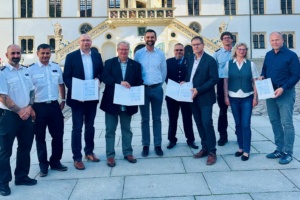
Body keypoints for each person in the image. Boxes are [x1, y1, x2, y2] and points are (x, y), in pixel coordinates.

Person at [0, 44, 37, 196]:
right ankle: (3, 183)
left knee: (25, 147)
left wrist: (29, 107)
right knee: (5, 151)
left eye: (18, 53)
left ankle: (21, 176)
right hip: (9, 116)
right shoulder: (2, 73)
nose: (16, 55)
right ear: (7, 55)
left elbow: (31, 91)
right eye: (13, 53)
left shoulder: (25, 70)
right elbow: (2, 97)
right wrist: (20, 110)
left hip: (26, 115)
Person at [63, 34, 103, 170]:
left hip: (91, 97)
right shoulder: (71, 57)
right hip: (77, 98)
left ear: (91, 42)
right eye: (83, 40)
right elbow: (66, 77)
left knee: (90, 126)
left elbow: (101, 72)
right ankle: (77, 158)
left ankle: (89, 152)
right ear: (78, 42)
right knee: (77, 127)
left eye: (88, 40)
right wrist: (77, 90)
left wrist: (99, 79)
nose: (86, 42)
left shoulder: (97, 55)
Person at [100, 41, 143, 167]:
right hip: (111, 103)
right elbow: (105, 77)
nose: (123, 52)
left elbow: (139, 80)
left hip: (127, 103)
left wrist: (135, 87)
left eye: (126, 50)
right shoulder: (109, 63)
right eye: (121, 49)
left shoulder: (135, 65)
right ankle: (110, 156)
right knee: (110, 130)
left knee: (126, 130)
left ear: (129, 51)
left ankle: (128, 152)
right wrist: (120, 82)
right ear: (117, 50)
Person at [260, 32, 300, 164]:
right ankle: (279, 148)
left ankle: (288, 152)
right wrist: (261, 77)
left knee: (287, 123)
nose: (274, 42)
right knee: (274, 121)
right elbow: (264, 70)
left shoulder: (291, 55)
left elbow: (296, 75)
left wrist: (283, 88)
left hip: (285, 92)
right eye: (272, 40)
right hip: (270, 92)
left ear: (283, 40)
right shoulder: (269, 54)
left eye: (277, 40)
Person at [29, 44, 67, 177]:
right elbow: (29, 90)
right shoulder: (31, 69)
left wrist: (63, 100)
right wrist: (30, 107)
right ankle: (43, 164)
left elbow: (61, 83)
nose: (45, 55)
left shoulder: (56, 67)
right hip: (38, 107)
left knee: (58, 135)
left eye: (47, 53)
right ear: (37, 53)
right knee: (40, 137)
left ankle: (55, 161)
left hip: (54, 106)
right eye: (43, 53)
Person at [185, 36, 219, 165]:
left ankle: (212, 152)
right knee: (199, 123)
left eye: (198, 44)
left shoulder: (210, 60)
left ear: (203, 45)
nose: (196, 47)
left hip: (205, 97)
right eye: (193, 45)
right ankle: (204, 148)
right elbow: (189, 76)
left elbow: (214, 79)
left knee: (206, 123)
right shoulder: (189, 59)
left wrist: (198, 90)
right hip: (192, 97)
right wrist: (184, 82)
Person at [223, 42, 259, 161]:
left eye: (244, 49)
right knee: (238, 123)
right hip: (233, 97)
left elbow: (255, 81)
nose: (242, 51)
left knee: (245, 124)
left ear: (246, 51)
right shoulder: (229, 64)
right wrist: (226, 96)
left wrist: (255, 97)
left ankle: (247, 150)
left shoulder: (251, 64)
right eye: (239, 49)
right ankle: (240, 147)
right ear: (235, 50)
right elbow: (226, 82)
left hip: (247, 97)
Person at [134, 29, 167, 157]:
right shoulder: (138, 54)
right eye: (148, 37)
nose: (150, 39)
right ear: (144, 38)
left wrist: (159, 83)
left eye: (152, 37)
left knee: (157, 118)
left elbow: (164, 71)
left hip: (157, 88)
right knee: (144, 119)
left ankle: (157, 145)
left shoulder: (160, 54)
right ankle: (146, 145)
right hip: (143, 89)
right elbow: (135, 71)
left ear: (156, 38)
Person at [165, 43, 198, 149]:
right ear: (173, 51)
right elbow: (165, 76)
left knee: (187, 118)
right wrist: (173, 85)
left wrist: (186, 82)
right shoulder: (168, 62)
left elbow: (192, 75)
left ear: (184, 51)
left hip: (185, 94)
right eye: (176, 50)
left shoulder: (189, 61)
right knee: (172, 118)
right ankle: (172, 140)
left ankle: (190, 139)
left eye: (181, 50)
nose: (178, 52)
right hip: (172, 94)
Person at [213, 31, 234, 146]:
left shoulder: (237, 52)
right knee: (222, 111)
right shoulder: (217, 54)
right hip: (221, 83)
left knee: (238, 110)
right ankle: (222, 135)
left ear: (232, 39)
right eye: (224, 38)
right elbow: (213, 70)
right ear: (222, 40)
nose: (226, 39)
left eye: (228, 38)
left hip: (235, 82)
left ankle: (239, 133)